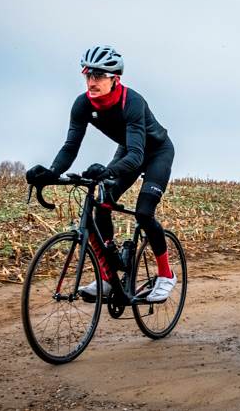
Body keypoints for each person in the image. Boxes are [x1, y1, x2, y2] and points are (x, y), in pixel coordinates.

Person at [25, 45, 177, 303]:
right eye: (88, 75)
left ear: (114, 79)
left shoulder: (133, 102)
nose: (91, 82)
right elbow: (70, 146)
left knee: (143, 212)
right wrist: (52, 173)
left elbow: (138, 156)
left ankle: (166, 274)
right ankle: (109, 276)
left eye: (98, 76)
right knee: (102, 204)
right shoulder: (82, 104)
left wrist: (107, 170)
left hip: (155, 153)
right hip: (128, 151)